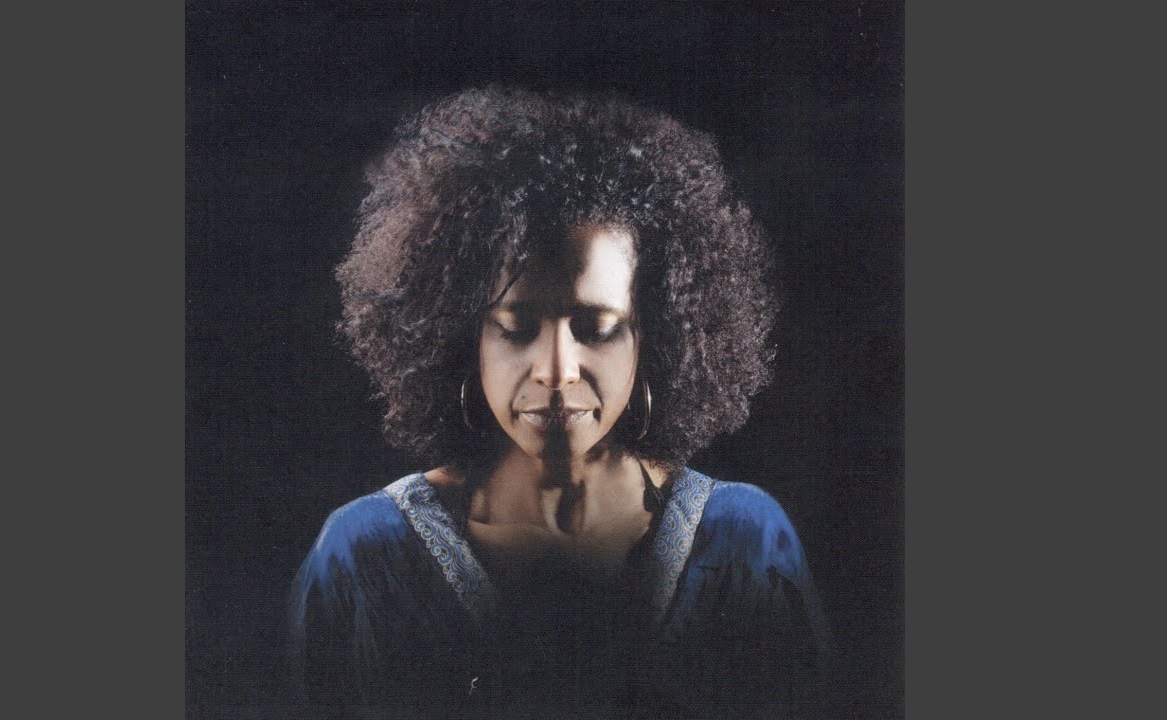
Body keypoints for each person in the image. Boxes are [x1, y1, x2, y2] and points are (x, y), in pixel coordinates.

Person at [290, 85, 832, 720]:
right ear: (462, 337)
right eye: (516, 327)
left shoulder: (747, 543)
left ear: (655, 337)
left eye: (596, 327)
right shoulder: (361, 556)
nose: (555, 370)